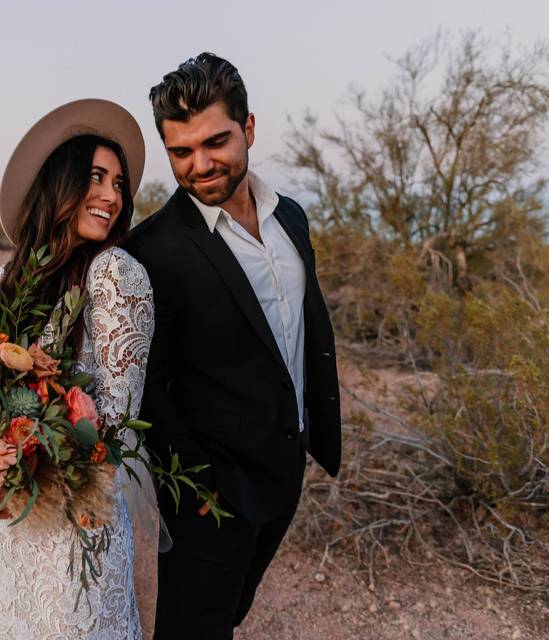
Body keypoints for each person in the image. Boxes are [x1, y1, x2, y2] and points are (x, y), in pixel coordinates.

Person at [0, 99, 158, 640]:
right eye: (97, 177)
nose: (112, 196)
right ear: (60, 184)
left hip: (76, 527)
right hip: (4, 524)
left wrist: (23, 444)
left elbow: (112, 426)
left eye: (119, 184)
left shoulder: (116, 276)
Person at [125, 53, 342, 639]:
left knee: (234, 610)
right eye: (181, 152)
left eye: (215, 142)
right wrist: (201, 490)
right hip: (211, 498)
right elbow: (150, 388)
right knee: (191, 628)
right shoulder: (152, 251)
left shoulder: (291, 218)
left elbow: (299, 337)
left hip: (286, 469)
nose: (200, 165)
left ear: (248, 128)